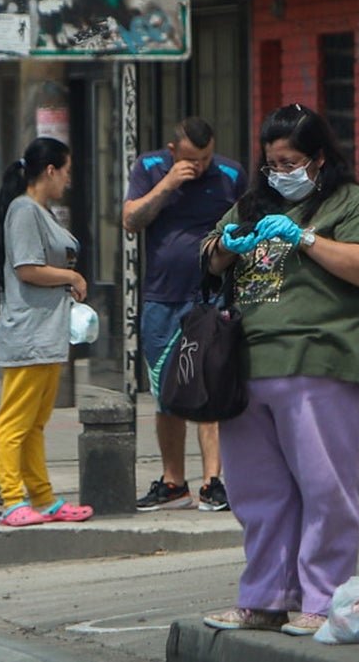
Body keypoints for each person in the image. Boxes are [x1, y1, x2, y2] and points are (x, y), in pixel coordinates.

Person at [198, 104, 359, 637]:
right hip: (248, 368)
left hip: (320, 361)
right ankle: (265, 597)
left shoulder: (348, 202)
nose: (279, 172)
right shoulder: (253, 203)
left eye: (289, 161)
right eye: (270, 162)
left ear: (317, 159)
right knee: (256, 491)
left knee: (324, 487)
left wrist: (305, 239)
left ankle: (324, 599)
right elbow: (209, 254)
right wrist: (226, 247)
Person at [123, 117, 246, 512]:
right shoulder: (149, 169)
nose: (202, 165)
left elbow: (247, 225)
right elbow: (130, 220)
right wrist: (168, 185)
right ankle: (174, 482)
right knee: (167, 393)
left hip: (208, 297)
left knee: (208, 385)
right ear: (173, 151)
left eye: (207, 156)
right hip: (162, 298)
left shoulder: (230, 174)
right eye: (193, 159)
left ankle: (214, 481)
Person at [0, 137, 93, 527]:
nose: (68, 180)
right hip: (28, 334)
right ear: (50, 171)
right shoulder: (23, 211)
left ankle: (43, 497)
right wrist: (71, 275)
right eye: (65, 172)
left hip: (47, 335)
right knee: (15, 422)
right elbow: (27, 267)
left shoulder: (41, 211)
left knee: (35, 423)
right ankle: (12, 499)